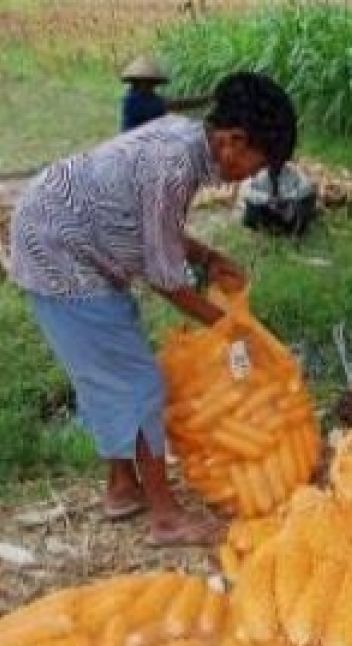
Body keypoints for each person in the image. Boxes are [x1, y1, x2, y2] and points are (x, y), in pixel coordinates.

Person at [5, 72, 298, 546]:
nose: (249, 176)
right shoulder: (175, 164)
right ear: (232, 140)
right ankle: (166, 517)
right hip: (59, 253)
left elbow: (151, 223)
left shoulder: (186, 144)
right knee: (137, 382)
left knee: (106, 371)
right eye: (254, 163)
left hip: (63, 236)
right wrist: (231, 327)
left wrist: (206, 256)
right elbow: (164, 279)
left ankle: (122, 487)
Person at [120, 55, 212, 133]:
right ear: (136, 82)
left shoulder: (151, 97)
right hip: (135, 142)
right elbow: (177, 105)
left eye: (152, 83)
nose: (151, 86)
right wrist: (208, 98)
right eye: (147, 82)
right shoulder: (133, 100)